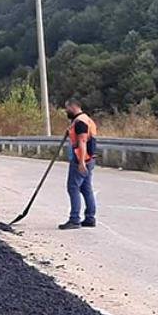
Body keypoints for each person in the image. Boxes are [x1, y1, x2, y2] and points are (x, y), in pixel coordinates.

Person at [59, 98, 98, 230]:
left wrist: (81, 162)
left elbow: (82, 142)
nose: (66, 111)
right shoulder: (85, 119)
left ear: (73, 107)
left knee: (73, 187)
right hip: (90, 159)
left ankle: (74, 219)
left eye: (67, 109)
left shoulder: (80, 122)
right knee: (86, 188)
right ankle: (90, 218)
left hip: (81, 159)